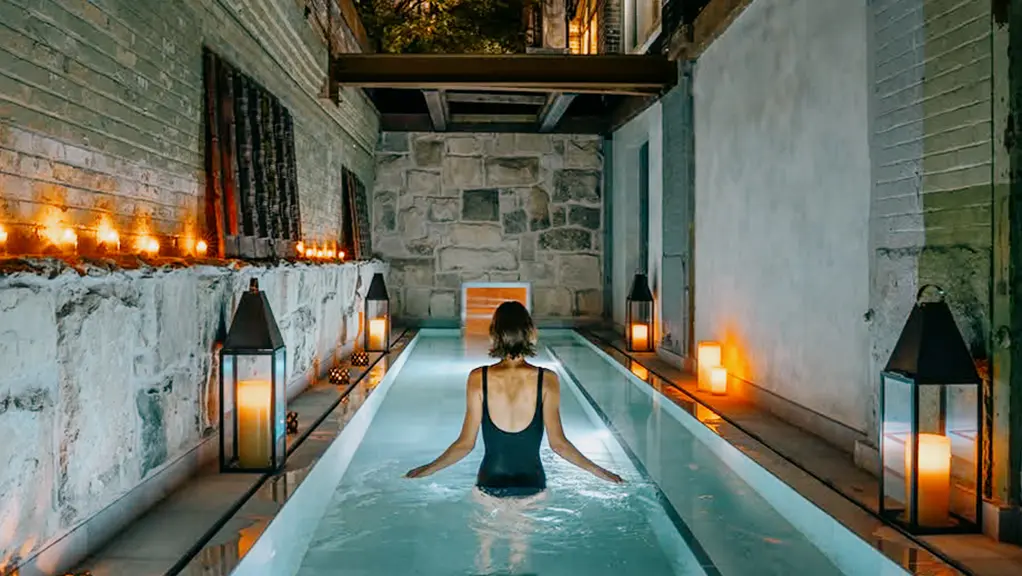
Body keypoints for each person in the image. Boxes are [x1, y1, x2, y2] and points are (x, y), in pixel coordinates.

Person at [404, 300, 624, 490]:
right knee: (522, 538)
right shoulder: (547, 379)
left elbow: (465, 444)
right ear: (530, 333)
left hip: (490, 480)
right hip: (532, 482)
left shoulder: (478, 378)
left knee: (487, 538)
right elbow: (559, 445)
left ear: (494, 334)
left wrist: (427, 469)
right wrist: (602, 472)